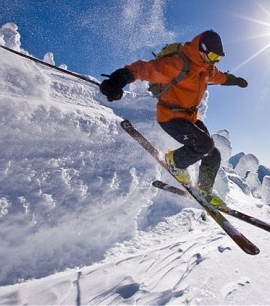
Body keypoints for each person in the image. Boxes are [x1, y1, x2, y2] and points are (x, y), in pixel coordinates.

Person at [99, 30, 248, 208]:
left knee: (213, 155)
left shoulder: (207, 67)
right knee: (204, 145)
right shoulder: (178, 63)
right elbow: (145, 69)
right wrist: (118, 80)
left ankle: (204, 191)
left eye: (219, 58)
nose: (215, 60)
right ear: (201, 49)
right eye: (213, 55)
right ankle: (174, 162)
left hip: (189, 117)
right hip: (170, 116)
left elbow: (220, 77)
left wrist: (235, 80)